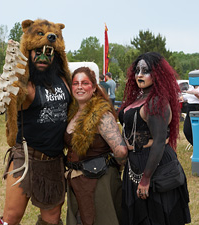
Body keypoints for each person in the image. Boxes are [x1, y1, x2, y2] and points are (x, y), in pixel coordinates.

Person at [0, 19, 71, 225]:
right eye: (37, 52)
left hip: (54, 161)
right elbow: (8, 85)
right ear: (29, 52)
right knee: (11, 217)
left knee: (51, 220)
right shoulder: (25, 84)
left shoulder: (65, 80)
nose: (43, 57)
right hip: (25, 157)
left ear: (56, 55)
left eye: (48, 53)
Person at [119, 52, 191, 225]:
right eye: (137, 70)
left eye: (146, 70)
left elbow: (159, 141)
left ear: (157, 74)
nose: (140, 75)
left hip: (154, 164)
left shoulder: (156, 102)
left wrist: (146, 178)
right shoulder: (138, 97)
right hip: (134, 163)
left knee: (157, 216)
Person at [64, 67, 128, 225]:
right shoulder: (72, 113)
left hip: (99, 181)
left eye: (84, 83)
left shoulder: (101, 114)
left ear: (93, 88)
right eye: (75, 83)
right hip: (77, 181)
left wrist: (111, 171)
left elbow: (120, 150)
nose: (79, 87)